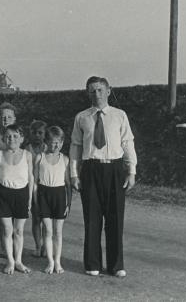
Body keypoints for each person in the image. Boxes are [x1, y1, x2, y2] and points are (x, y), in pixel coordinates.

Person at [70, 76, 137, 278]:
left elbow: (127, 143)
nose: (96, 94)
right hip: (90, 169)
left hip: (115, 170)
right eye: (92, 91)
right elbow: (75, 146)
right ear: (87, 93)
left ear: (108, 91)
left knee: (115, 217)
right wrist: (74, 174)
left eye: (100, 90)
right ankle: (92, 264)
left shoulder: (119, 115)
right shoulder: (82, 117)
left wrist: (131, 171)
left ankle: (116, 265)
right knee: (92, 218)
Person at [0, 124, 33, 274]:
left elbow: (31, 178)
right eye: (8, 136)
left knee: (19, 230)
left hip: (21, 195)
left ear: (21, 138)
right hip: (4, 195)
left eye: (15, 136)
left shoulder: (27, 155)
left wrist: (29, 199)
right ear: (3, 138)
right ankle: (10, 261)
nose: (12, 139)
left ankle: (18, 261)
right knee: (7, 230)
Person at [33, 126, 71, 274]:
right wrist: (36, 202)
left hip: (60, 196)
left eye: (59, 143)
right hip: (44, 196)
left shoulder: (65, 159)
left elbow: (68, 185)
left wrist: (68, 203)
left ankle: (57, 262)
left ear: (62, 143)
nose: (56, 146)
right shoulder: (40, 158)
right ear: (46, 141)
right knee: (48, 231)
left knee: (58, 232)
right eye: (53, 142)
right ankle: (50, 262)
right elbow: (35, 182)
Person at [0, 102, 18, 258]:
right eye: (2, 117)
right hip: (0, 180)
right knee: (2, 215)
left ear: (14, 119)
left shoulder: (19, 136)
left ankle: (15, 245)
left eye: (9, 117)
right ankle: (4, 247)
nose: (5, 119)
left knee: (16, 217)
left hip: (17, 180)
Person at [25, 120, 47, 258]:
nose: (37, 135)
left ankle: (46, 245)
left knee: (46, 218)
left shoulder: (48, 147)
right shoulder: (27, 149)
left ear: (45, 134)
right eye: (34, 133)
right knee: (36, 218)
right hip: (32, 186)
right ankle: (38, 246)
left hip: (46, 186)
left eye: (40, 133)